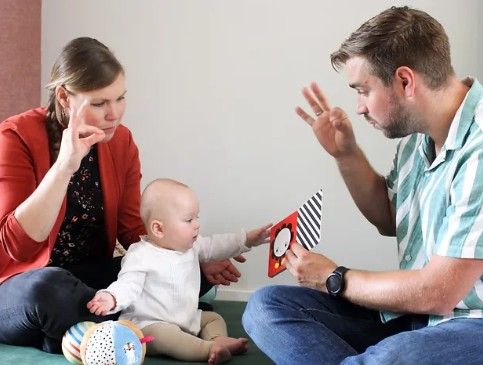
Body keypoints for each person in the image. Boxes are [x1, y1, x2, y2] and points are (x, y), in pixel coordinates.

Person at [243, 6, 483, 364]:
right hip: (415, 317)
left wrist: (334, 278)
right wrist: (346, 154)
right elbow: (389, 218)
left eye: (363, 90)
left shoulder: (478, 146)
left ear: (405, 81)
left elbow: (438, 292)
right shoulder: (418, 138)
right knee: (265, 307)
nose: (358, 107)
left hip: (470, 325)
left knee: (384, 359)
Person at [0, 37, 248, 354]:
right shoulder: (16, 135)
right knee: (48, 289)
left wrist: (187, 254)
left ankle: (75, 331)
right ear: (64, 97)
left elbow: (133, 232)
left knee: (187, 270)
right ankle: (146, 325)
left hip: (92, 280)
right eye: (100, 103)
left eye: (120, 99)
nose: (114, 113)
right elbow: (18, 246)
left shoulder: (121, 143)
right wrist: (64, 166)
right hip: (21, 285)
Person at [87, 178, 271, 364]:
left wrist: (246, 240)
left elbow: (217, 245)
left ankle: (217, 340)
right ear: (159, 228)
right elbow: (127, 285)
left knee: (213, 318)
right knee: (165, 336)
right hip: (150, 325)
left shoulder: (192, 247)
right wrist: (111, 298)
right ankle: (208, 349)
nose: (197, 224)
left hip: (187, 318)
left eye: (196, 217)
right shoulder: (141, 255)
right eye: (189, 220)